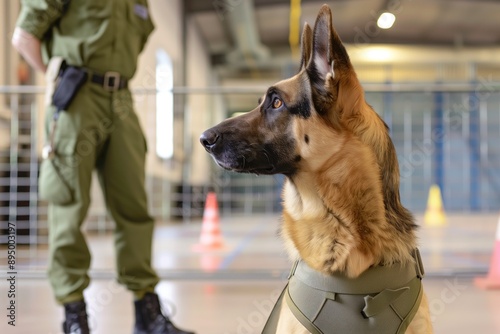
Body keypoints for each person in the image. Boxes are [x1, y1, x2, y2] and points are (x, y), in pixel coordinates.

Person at [12, 1, 195, 333]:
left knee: (135, 209)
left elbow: (137, 40)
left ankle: (147, 313)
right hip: (77, 97)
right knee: (68, 206)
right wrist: (57, 75)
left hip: (121, 100)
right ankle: (74, 316)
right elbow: (23, 36)